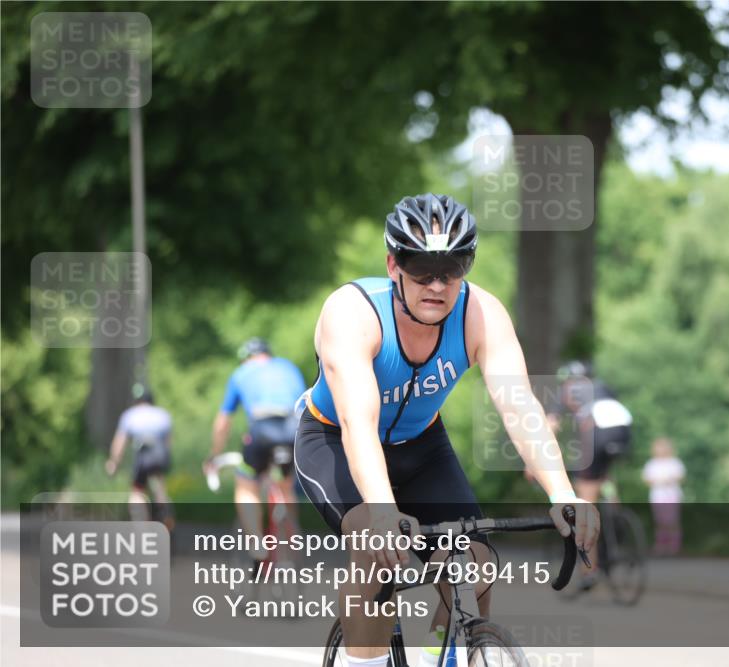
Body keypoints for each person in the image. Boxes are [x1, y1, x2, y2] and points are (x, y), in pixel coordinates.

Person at [293, 193, 600, 667]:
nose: (437, 285)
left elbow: (518, 405)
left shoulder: (482, 313)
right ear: (393, 264)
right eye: (421, 270)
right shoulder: (353, 313)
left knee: (475, 561)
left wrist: (563, 492)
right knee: (376, 551)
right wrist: (381, 512)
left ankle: (448, 649)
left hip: (422, 447)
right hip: (335, 440)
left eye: (452, 270)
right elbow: (359, 421)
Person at [204, 337, 306, 568]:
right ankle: (291, 543)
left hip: (261, 431)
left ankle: (257, 544)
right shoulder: (288, 367)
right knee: (286, 485)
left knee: (246, 484)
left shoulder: (241, 372)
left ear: (246, 358)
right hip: (293, 430)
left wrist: (214, 454)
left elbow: (222, 423)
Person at [548, 360, 632, 589]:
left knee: (584, 502)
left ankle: (589, 570)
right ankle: (616, 519)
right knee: (602, 473)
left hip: (598, 432)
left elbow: (551, 426)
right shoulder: (600, 385)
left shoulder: (566, 390)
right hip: (623, 430)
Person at [105, 384, 173, 525]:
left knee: (137, 490)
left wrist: (113, 462)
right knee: (159, 484)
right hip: (160, 455)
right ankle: (166, 516)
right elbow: (168, 443)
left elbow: (119, 443)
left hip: (143, 456)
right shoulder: (163, 415)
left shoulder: (129, 415)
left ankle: (141, 527)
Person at [642, 436, 685, 556]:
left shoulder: (674, 462)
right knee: (660, 521)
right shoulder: (652, 463)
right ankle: (661, 545)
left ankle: (674, 546)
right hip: (657, 496)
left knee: (672, 521)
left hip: (672, 495)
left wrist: (668, 480)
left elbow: (680, 476)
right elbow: (647, 479)